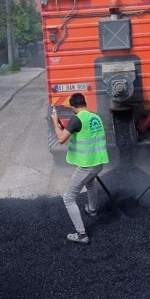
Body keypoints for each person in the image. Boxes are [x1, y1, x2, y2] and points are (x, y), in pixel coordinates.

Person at [50, 93, 109, 245]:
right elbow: (84, 134)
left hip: (87, 165)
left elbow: (61, 139)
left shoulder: (77, 119)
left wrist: (55, 122)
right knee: (90, 184)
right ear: (84, 103)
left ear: (73, 107)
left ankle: (81, 234)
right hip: (98, 162)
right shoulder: (95, 117)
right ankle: (92, 209)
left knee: (68, 198)